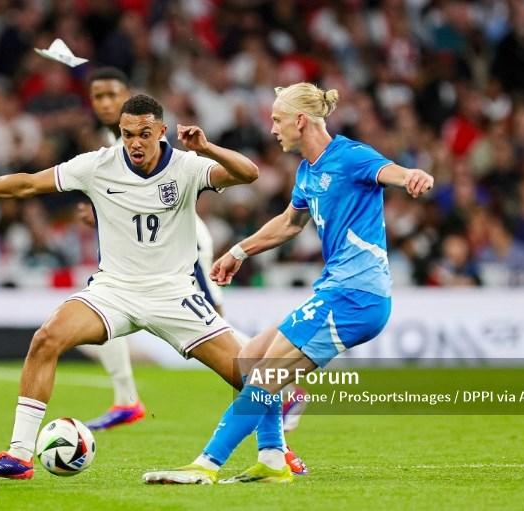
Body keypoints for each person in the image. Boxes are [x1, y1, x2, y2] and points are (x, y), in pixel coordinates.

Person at [0, 94, 295, 480]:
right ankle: (19, 456)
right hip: (113, 291)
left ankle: (276, 455)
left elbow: (249, 174)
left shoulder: (187, 166)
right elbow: (27, 185)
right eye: (128, 134)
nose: (136, 143)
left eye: (145, 134)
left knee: (254, 375)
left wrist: (207, 147)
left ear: (162, 131)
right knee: (47, 338)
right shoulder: (98, 165)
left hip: (173, 294)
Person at [143, 83, 433, 485]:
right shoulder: (307, 171)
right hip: (336, 291)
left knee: (266, 374)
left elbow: (390, 172)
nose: (274, 128)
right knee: (248, 360)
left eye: (278, 120)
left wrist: (413, 175)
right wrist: (238, 253)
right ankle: (273, 459)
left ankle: (206, 465)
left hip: (355, 295)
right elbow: (289, 223)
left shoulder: (349, 156)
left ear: (300, 120)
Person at [76, 68, 226, 431]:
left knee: (217, 327)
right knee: (98, 292)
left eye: (113, 95)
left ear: (127, 96)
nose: (106, 103)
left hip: (183, 246)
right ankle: (126, 401)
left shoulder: (148, 138)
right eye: (98, 97)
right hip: (147, 248)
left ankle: (281, 387)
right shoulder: (112, 145)